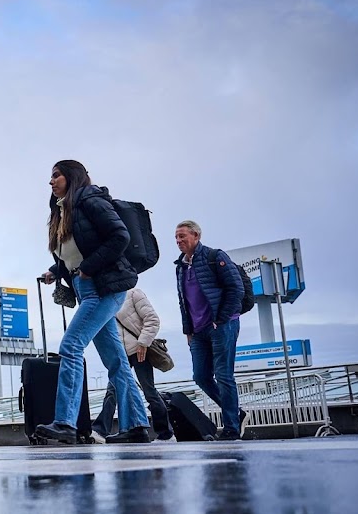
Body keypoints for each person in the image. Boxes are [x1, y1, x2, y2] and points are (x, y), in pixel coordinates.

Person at [35, 160, 151, 445]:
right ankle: (136, 425)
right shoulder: (63, 210)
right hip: (84, 285)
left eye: (56, 176)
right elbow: (74, 252)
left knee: (71, 346)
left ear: (71, 177)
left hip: (102, 286)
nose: (50, 182)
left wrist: (89, 267)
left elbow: (119, 236)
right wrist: (57, 272)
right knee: (116, 361)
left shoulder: (90, 200)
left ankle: (65, 423)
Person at [174, 220, 244, 441]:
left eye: (183, 236)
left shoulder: (216, 257)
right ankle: (237, 413)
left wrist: (221, 319)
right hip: (197, 331)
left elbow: (236, 289)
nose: (178, 241)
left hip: (222, 326)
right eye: (176, 237)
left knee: (224, 375)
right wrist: (188, 330)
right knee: (201, 376)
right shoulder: (180, 266)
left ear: (196, 235)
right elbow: (183, 300)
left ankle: (231, 427)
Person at [91, 288, 175, 442]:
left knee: (149, 391)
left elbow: (152, 319)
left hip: (139, 350)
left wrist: (143, 342)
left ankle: (166, 434)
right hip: (121, 354)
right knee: (112, 391)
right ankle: (99, 431)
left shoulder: (133, 294)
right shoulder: (105, 301)